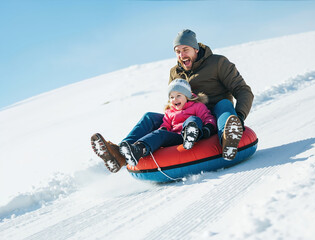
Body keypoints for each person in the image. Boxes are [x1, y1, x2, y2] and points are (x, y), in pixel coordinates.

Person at [91, 29, 254, 173]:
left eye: (185, 49)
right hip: (187, 117)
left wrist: (238, 116)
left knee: (224, 104)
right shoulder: (175, 72)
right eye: (177, 51)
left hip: (216, 114)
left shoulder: (218, 63)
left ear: (196, 49)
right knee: (149, 117)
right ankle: (119, 154)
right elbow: (173, 103)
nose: (182, 55)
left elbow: (242, 90)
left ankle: (229, 136)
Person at [117, 79, 216, 167]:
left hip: (194, 133)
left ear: (187, 96)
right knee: (159, 133)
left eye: (178, 96)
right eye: (172, 97)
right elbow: (166, 124)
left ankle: (190, 135)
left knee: (193, 119)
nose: (175, 99)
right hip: (176, 137)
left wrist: (208, 128)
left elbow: (208, 118)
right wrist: (163, 129)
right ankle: (138, 149)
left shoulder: (197, 106)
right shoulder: (169, 112)